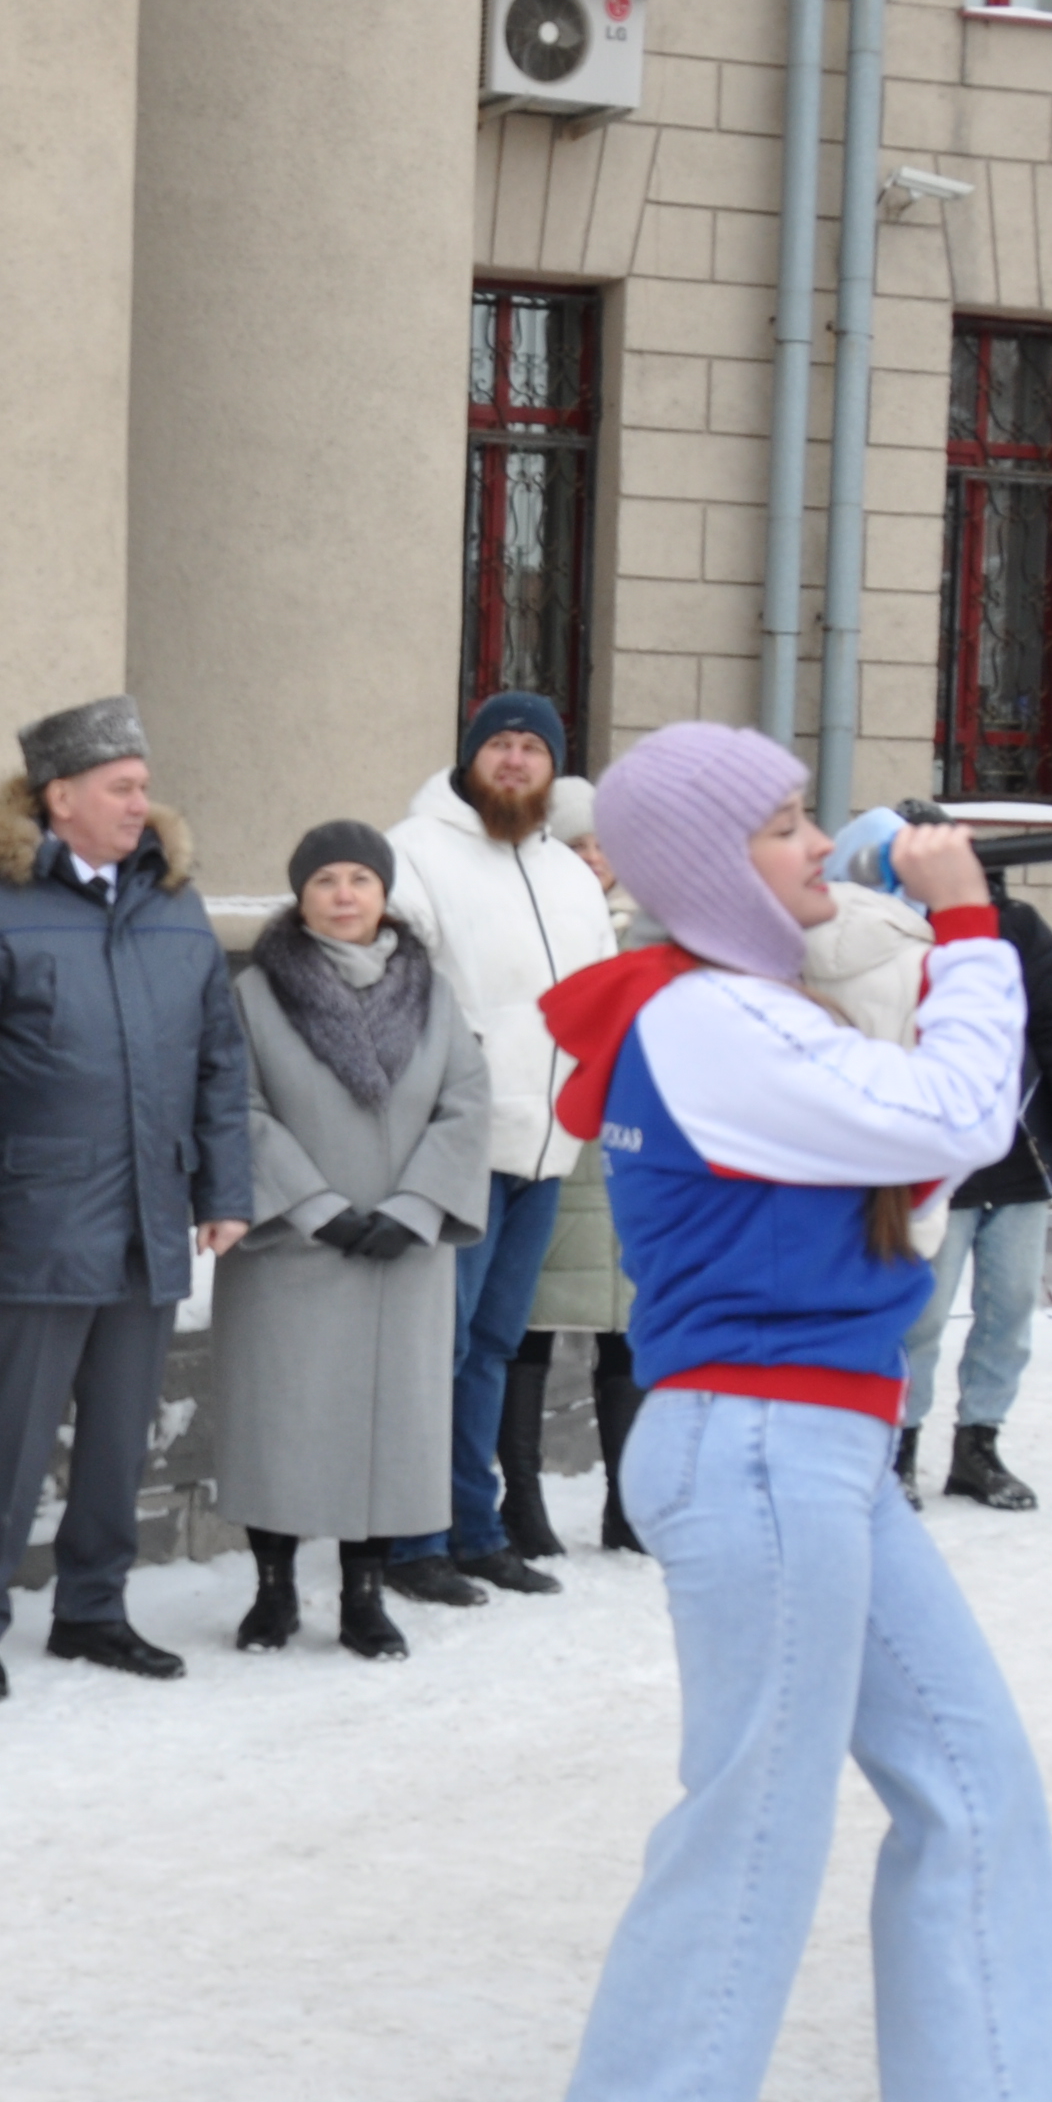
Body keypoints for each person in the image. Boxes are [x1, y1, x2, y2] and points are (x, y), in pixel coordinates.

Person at [521, 722, 1052, 2102]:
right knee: (758, 1811)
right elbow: (960, 1119)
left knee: (973, 1780)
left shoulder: (746, 1005)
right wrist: (967, 923)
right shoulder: (709, 1020)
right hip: (760, 1440)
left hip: (816, 1440)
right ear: (708, 867)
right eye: (781, 824)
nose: (818, 841)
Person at [0, 696, 250, 1701]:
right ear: (57, 797)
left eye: (143, 786)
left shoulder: (175, 901)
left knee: (119, 1433)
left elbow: (218, 1060)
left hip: (150, 1217)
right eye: (120, 787)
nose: (140, 803)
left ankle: (92, 1610)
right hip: (35, 1218)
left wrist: (223, 1186)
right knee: (9, 1434)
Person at [211, 820, 488, 1661]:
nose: (343, 895)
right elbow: (238, 1106)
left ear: (384, 894)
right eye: (325, 880)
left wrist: (414, 1209)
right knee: (282, 1418)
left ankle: (365, 1597)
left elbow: (468, 1102)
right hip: (296, 1246)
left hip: (402, 1251)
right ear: (300, 896)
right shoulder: (256, 995)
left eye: (359, 881)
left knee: (388, 1428)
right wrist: (313, 1205)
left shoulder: (434, 994)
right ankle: (273, 1592)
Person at [383, 688, 615, 1608]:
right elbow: (398, 993)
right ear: (471, 757)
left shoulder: (565, 871)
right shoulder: (415, 853)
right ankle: (412, 1538)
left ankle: (476, 1530)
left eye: (534, 748)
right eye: (500, 745)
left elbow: (596, 993)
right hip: (459, 1147)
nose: (515, 762)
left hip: (549, 1147)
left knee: (493, 1345)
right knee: (435, 1348)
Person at [895, 854, 1052, 1514]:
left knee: (1009, 1311)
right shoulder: (899, 928)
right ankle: (896, 1447)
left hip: (1021, 1148)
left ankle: (977, 1446)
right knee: (919, 1319)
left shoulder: (1018, 928)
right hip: (937, 1157)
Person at [503, 777, 640, 1558]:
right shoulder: (543, 924)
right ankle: (520, 1503)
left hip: (632, 1154)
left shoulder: (649, 930)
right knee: (531, 1321)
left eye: (604, 846)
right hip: (556, 1142)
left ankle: (629, 1503)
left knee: (627, 1327)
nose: (593, 859)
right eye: (577, 844)